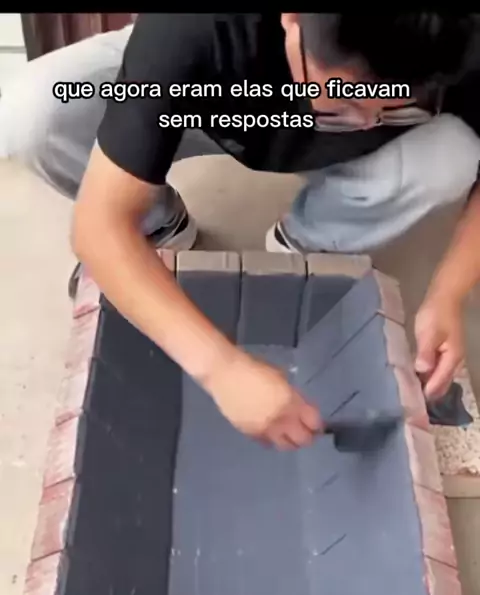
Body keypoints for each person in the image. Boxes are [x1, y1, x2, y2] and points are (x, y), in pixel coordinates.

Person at [2, 13, 480, 450]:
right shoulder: (192, 28)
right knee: (36, 112)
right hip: (204, 101)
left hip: (339, 145)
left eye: (393, 104)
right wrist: (221, 369)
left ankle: (306, 248)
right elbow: (98, 227)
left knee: (449, 156)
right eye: (345, 96)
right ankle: (159, 228)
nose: (363, 119)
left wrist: (448, 292)